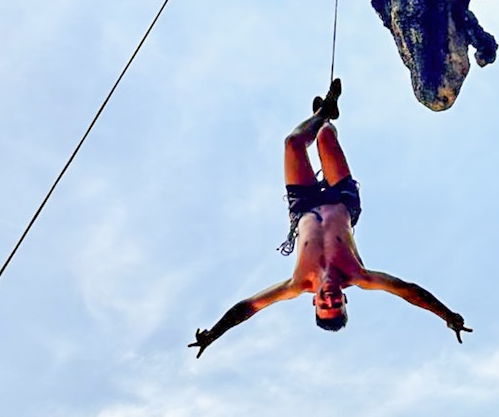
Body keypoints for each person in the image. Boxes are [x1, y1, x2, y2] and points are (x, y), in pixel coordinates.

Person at [188, 79, 471, 358]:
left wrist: (214, 333)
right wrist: (446, 314)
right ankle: (327, 117)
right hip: (341, 200)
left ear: (315, 302)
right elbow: (408, 291)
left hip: (304, 206)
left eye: (325, 304)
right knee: (325, 137)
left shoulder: (296, 284)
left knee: (293, 143)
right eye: (337, 303)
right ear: (344, 299)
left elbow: (248, 307)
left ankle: (322, 112)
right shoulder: (360, 275)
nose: (330, 298)